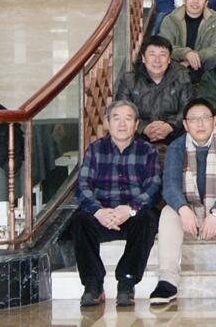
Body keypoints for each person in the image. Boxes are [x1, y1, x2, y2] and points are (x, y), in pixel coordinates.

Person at [149, 98, 216, 305]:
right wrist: (183, 209)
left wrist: (215, 213)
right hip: (190, 211)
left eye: (205, 118)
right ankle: (167, 281)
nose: (200, 123)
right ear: (185, 124)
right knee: (168, 212)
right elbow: (170, 186)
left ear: (214, 121)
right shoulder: (177, 147)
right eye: (194, 119)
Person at [72, 101, 160, 307]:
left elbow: (154, 186)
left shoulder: (148, 151)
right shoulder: (95, 149)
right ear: (107, 123)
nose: (122, 124)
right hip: (103, 213)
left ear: (136, 124)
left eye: (128, 119)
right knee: (80, 220)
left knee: (147, 218)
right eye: (116, 118)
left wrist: (130, 209)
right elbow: (82, 185)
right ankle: (93, 285)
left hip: (132, 214)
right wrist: (98, 211)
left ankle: (127, 283)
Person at [115, 35, 193, 146]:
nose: (157, 60)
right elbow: (122, 111)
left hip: (174, 134)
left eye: (162, 55)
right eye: (152, 54)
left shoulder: (182, 77)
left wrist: (170, 126)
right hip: (138, 136)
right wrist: (143, 127)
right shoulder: (129, 80)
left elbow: (188, 108)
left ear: (169, 59)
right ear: (143, 58)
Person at [159, 0, 216, 84]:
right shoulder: (171, 19)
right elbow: (164, 46)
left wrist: (193, 57)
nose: (196, 1)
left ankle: (211, 91)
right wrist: (185, 53)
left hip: (203, 64)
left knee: (215, 61)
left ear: (206, 2)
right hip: (178, 64)